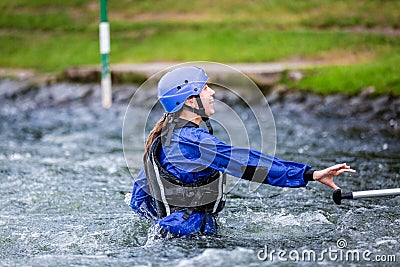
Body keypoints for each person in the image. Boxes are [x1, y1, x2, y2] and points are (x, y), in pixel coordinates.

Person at [129, 66, 356, 237]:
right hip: (189, 238)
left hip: (170, 232)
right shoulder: (193, 141)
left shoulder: (165, 134)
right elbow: (246, 162)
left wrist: (162, 223)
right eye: (205, 88)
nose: (213, 93)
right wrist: (309, 174)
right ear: (190, 101)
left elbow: (138, 197)